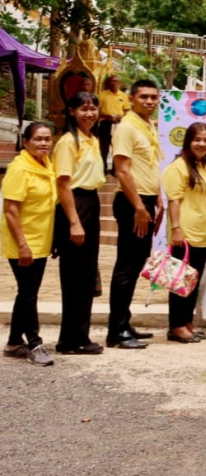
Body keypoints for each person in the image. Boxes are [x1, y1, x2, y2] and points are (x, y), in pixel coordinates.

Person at [107, 78, 162, 350]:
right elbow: (123, 170)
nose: (149, 101)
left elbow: (149, 166)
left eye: (153, 97)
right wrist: (140, 207)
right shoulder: (126, 127)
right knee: (126, 267)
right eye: (144, 97)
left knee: (136, 263)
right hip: (132, 203)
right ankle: (116, 332)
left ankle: (124, 322)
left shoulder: (147, 125)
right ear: (131, 98)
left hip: (147, 202)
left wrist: (157, 201)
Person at [52, 92, 105, 355]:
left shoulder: (92, 139)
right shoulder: (67, 142)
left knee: (86, 275)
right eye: (83, 108)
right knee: (74, 275)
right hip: (75, 204)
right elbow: (63, 183)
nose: (89, 113)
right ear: (71, 111)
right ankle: (70, 339)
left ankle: (79, 336)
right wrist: (74, 222)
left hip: (91, 202)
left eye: (93, 108)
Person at [3, 122, 57, 366]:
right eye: (38, 139)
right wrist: (23, 245)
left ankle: (14, 342)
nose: (43, 143)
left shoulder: (46, 166)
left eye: (47, 138)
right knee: (28, 292)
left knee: (28, 292)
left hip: (41, 239)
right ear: (25, 142)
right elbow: (11, 210)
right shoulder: (20, 169)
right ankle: (34, 343)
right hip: (22, 241)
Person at [162, 123, 206, 343]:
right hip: (184, 236)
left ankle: (187, 322)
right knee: (179, 283)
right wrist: (176, 229)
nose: (202, 144)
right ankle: (175, 326)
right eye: (197, 140)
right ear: (187, 142)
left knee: (192, 283)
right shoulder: (178, 167)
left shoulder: (205, 166)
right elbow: (174, 200)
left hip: (202, 235)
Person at [97, 74, 130, 170]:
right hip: (105, 123)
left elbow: (127, 110)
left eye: (116, 81)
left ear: (119, 83)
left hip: (118, 124)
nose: (113, 83)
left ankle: (115, 170)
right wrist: (105, 116)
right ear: (108, 83)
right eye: (111, 81)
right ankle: (103, 168)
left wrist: (121, 117)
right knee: (104, 147)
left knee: (117, 146)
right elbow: (97, 110)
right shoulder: (102, 95)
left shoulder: (123, 96)